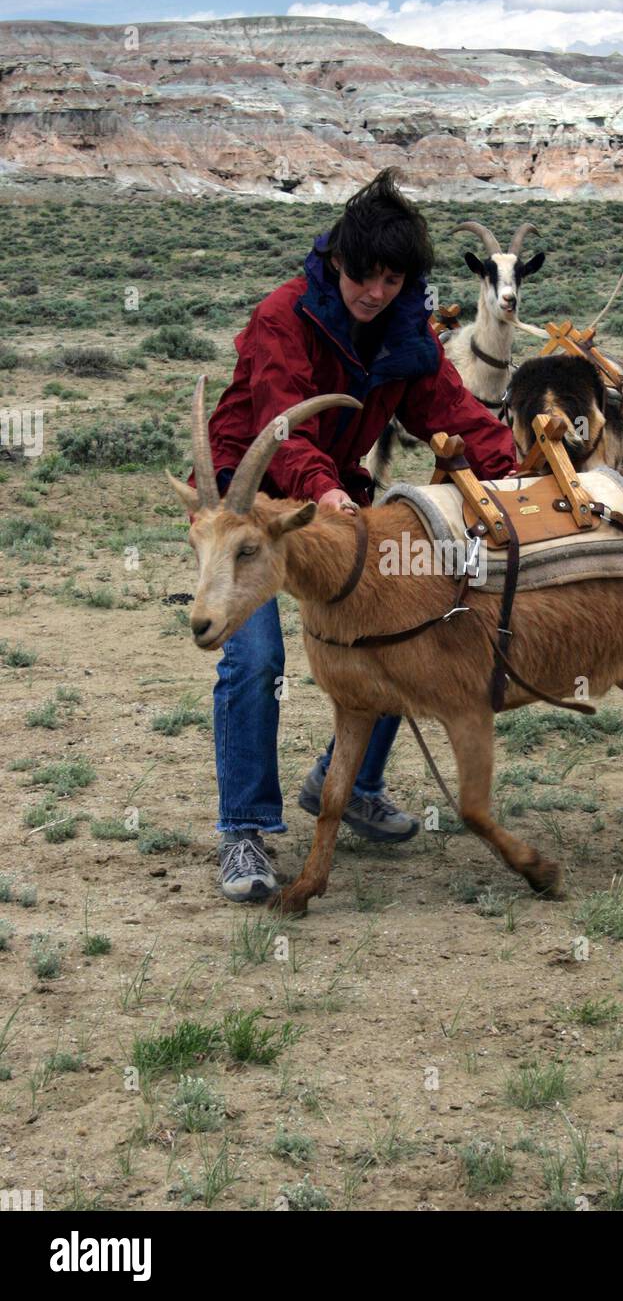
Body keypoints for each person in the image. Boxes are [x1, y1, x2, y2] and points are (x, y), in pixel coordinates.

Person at [189, 169, 520, 901]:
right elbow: (282, 423)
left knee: (405, 623)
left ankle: (350, 784)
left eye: (391, 278)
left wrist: (515, 472)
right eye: (363, 275)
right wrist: (324, 487)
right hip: (250, 497)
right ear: (336, 262)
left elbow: (456, 415)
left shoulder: (406, 333)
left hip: (330, 488)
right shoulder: (284, 317)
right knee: (256, 654)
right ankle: (245, 831)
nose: (374, 292)